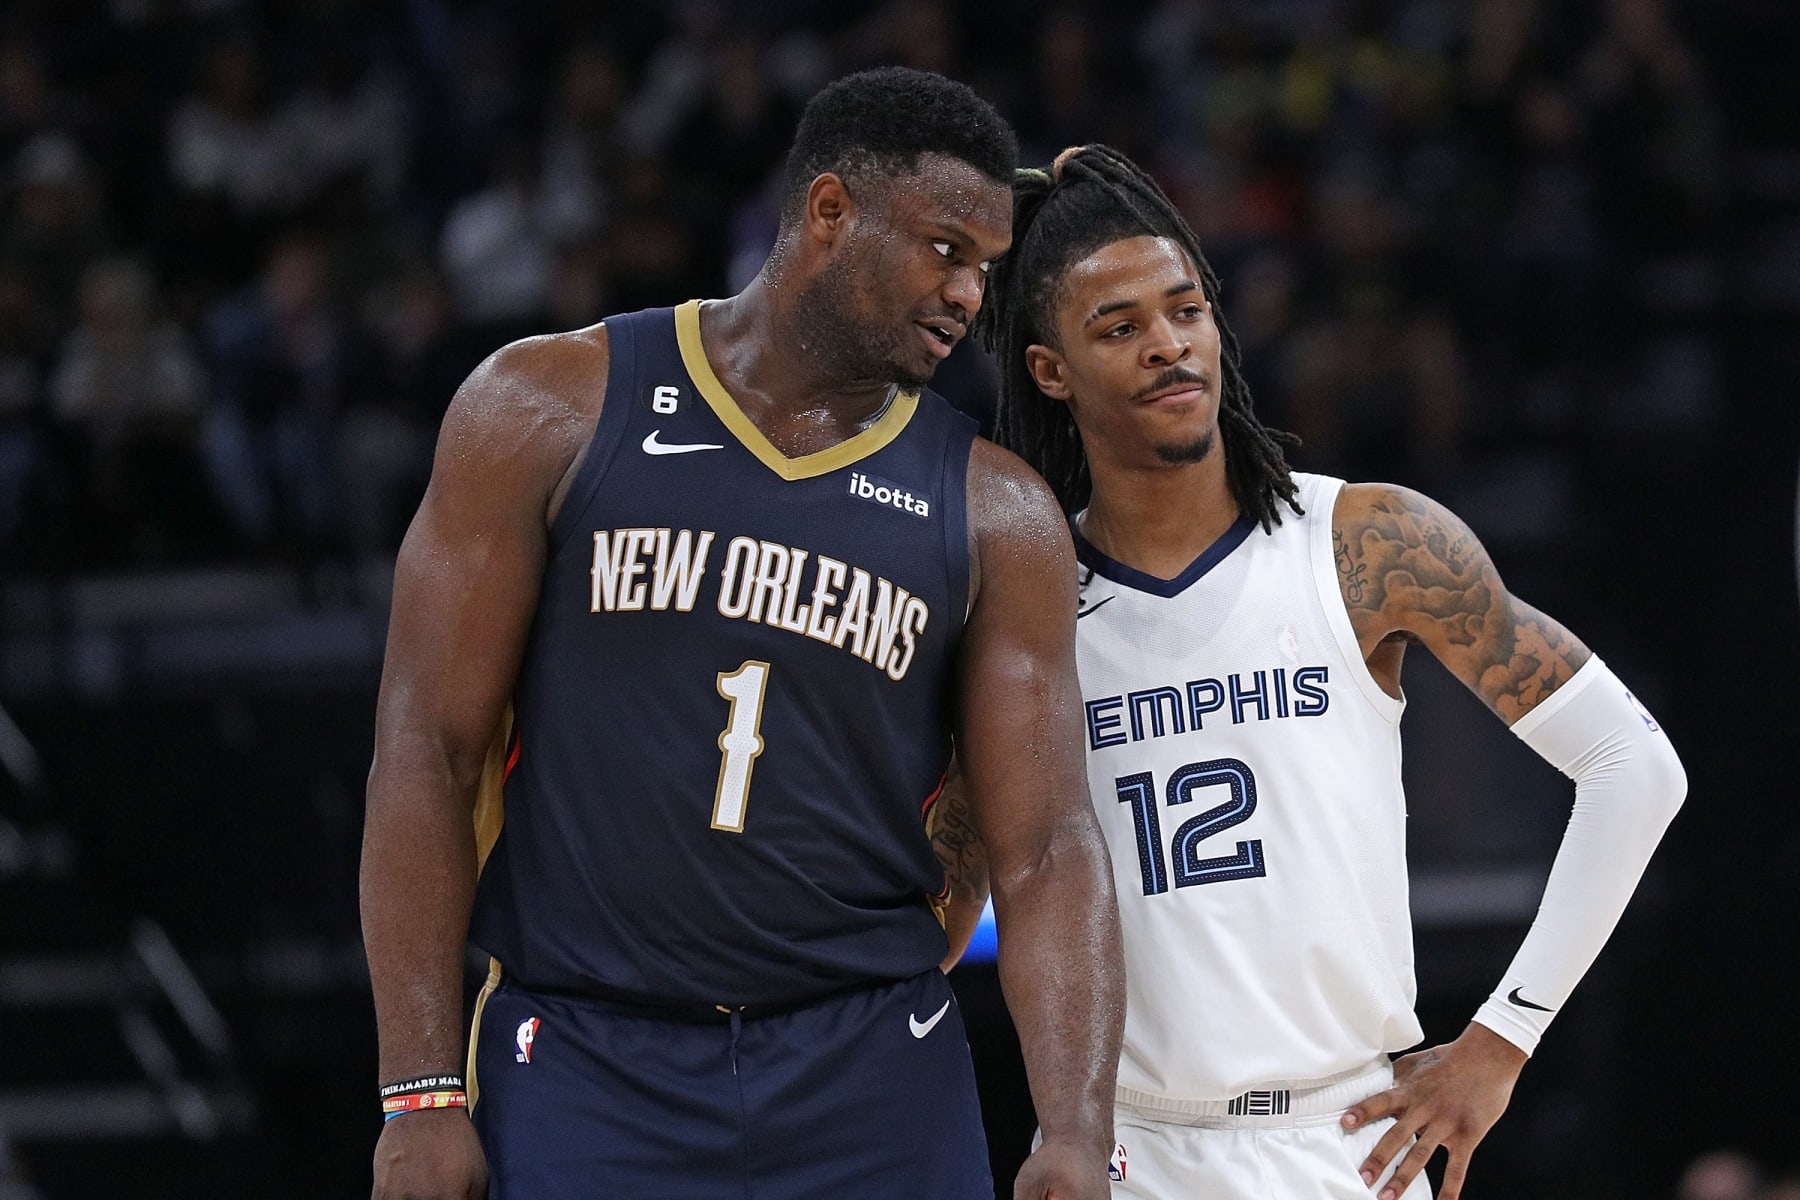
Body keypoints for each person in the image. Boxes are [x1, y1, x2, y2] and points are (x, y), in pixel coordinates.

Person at [359, 69, 1124, 1200]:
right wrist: (418, 1091)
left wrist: (1074, 1128)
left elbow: (1049, 845)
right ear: (829, 214)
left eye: (986, 268)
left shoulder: (995, 511)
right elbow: (427, 750)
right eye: (945, 251)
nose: (971, 297)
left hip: (870, 1059)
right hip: (584, 1050)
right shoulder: (546, 408)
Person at [979, 144, 1686, 1200]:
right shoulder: (1028, 600)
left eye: (1185, 310)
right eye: (1119, 328)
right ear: (1050, 370)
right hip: (1125, 1144)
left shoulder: (1367, 543)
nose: (1170, 347)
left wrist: (1502, 1040)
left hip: (1344, 1137)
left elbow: (1635, 766)